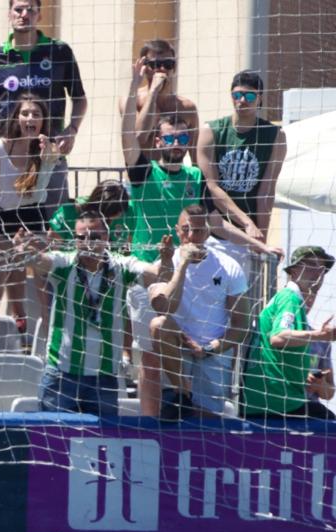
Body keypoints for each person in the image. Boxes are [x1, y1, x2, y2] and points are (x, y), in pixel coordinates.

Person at [122, 56, 278, 416]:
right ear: (158, 141)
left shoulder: (194, 179)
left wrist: (259, 243)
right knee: (150, 354)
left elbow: (216, 225)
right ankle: (151, 423)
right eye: (169, 137)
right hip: (150, 270)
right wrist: (143, 86)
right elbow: (131, 136)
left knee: (191, 347)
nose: (176, 143)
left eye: (181, 137)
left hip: (186, 272)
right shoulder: (144, 172)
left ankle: (190, 406)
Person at [18, 212, 174, 416]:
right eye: (81, 238)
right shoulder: (64, 264)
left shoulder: (121, 266)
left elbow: (161, 275)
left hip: (104, 378)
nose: (87, 243)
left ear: (107, 238)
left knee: (101, 446)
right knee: (54, 443)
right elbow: (40, 261)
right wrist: (25, 251)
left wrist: (166, 259)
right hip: (62, 374)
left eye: (94, 237)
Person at [0, 0, 86, 214]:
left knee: (54, 224)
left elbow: (80, 98)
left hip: (50, 154)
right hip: (10, 155)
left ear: (39, 16)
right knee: (9, 222)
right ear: (9, 14)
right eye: (19, 9)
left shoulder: (59, 52)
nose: (24, 14)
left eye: (31, 10)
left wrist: (72, 130)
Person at [148, 205, 249, 419]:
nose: (193, 237)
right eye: (186, 230)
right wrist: (182, 265)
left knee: (207, 422)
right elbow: (163, 307)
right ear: (177, 231)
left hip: (213, 349)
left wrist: (210, 348)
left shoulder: (228, 266)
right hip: (177, 349)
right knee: (158, 325)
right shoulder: (166, 263)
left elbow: (242, 323)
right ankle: (181, 392)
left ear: (209, 230)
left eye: (200, 230)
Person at [0, 92, 61, 334]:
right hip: (2, 217)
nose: (30, 118)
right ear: (16, 118)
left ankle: (46, 344)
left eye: (36, 114)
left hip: (34, 216)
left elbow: (37, 192)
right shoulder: (0, 148)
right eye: (25, 113)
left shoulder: (49, 150)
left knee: (43, 285)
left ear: (43, 121)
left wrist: (48, 159)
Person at [242, 246, 336, 420]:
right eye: (311, 265)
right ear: (293, 269)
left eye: (322, 269)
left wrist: (319, 384)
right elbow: (278, 337)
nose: (318, 273)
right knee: (328, 427)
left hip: (268, 400)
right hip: (277, 401)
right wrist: (319, 335)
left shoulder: (290, 300)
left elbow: (330, 391)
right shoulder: (290, 296)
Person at [196, 70, 286, 243]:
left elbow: (265, 193)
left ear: (260, 98)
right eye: (237, 95)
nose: (242, 101)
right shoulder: (211, 131)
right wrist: (246, 222)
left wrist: (262, 240)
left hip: (250, 235)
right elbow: (211, 187)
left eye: (249, 96)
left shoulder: (275, 136)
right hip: (214, 230)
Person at [117, 39, 199, 157]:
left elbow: (194, 154)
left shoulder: (186, 108)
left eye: (168, 64)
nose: (162, 69)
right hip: (141, 173)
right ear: (144, 68)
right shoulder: (130, 101)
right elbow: (139, 137)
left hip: (173, 173)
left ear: (174, 68)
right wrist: (153, 92)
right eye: (155, 64)